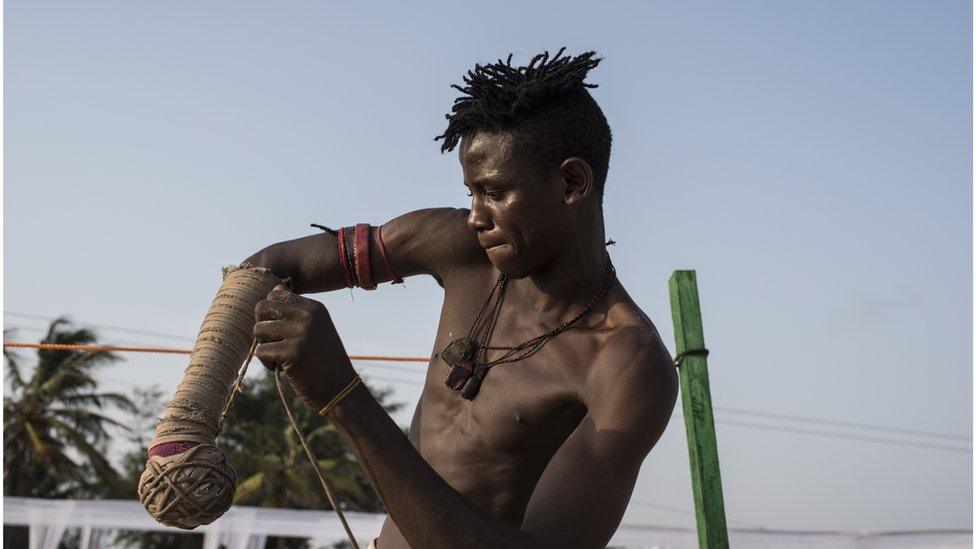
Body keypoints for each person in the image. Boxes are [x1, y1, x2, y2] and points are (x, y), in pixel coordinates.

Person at [243, 49, 678, 549]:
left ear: (572, 183)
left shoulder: (626, 363)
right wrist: (190, 418)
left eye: (494, 192)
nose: (475, 216)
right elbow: (263, 270)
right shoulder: (456, 246)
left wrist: (342, 396)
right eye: (470, 192)